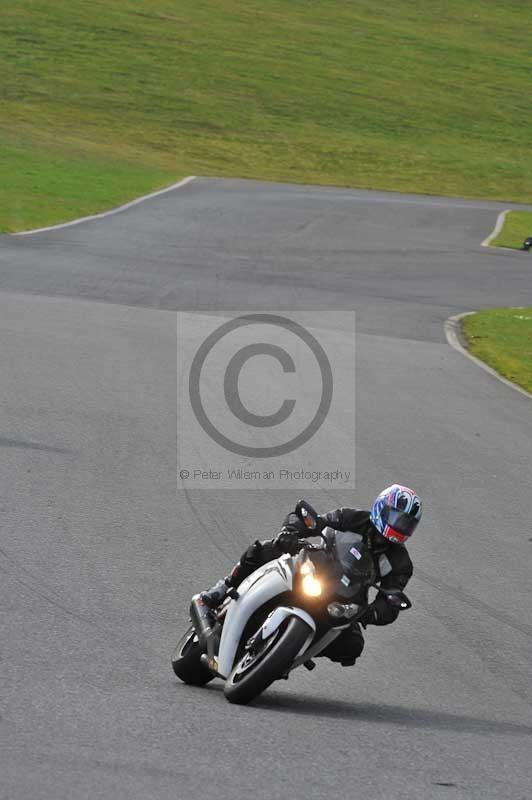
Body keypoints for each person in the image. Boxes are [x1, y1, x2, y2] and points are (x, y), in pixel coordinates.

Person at [200, 484, 422, 667]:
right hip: (318, 567)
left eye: (406, 524)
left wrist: (372, 613)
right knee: (264, 549)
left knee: (352, 646)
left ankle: (292, 650)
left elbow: (392, 598)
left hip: (346, 598)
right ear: (382, 509)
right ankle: (221, 589)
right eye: (397, 517)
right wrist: (291, 531)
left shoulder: (400, 563)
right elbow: (314, 522)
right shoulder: (353, 518)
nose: (399, 527)